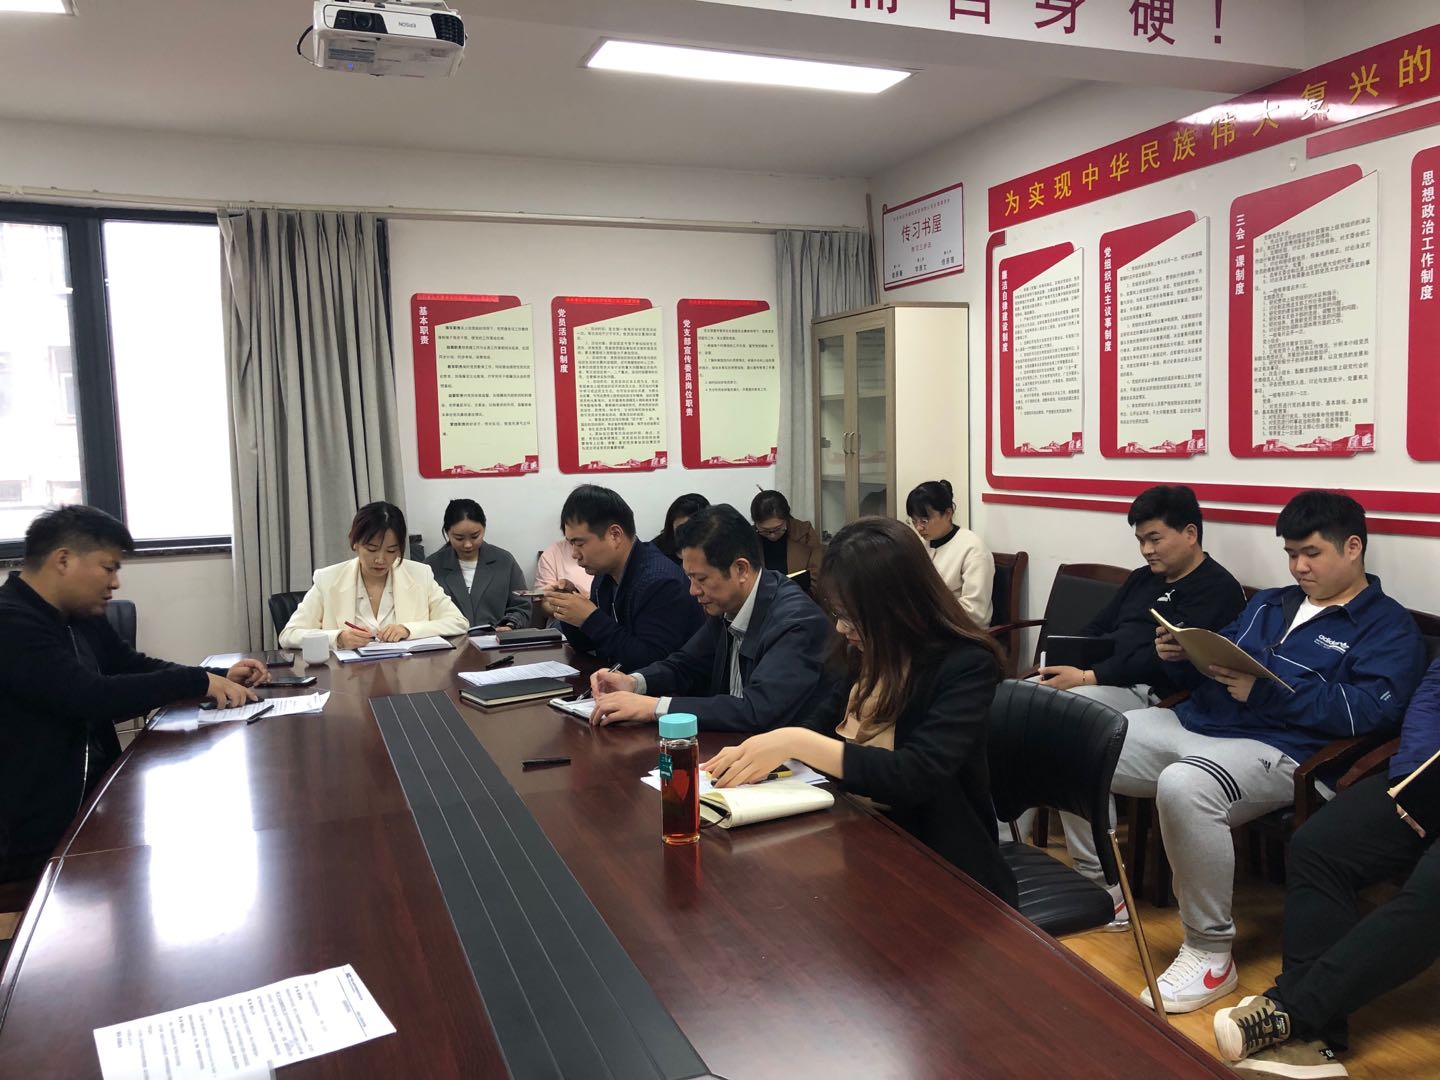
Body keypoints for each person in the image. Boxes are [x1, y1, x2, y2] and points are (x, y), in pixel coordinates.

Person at [1074, 491, 1424, 1015]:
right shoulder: (1270, 603)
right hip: (1199, 721)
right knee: (1081, 738)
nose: (1298, 567)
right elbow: (1218, 658)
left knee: (1185, 785)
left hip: (1279, 749)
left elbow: (1369, 713)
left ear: (1353, 547)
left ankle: (1210, 952)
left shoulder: (1387, 627)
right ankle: (1102, 890)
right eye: (1290, 554)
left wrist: (1266, 693)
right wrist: (1181, 656)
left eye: (1311, 553)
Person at [702, 517, 1017, 905]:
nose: (840, 628)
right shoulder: (866, 651)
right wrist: (769, 753)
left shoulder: (965, 665)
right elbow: (822, 722)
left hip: (943, 869)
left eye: (851, 615)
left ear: (896, 605)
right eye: (837, 612)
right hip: (861, 840)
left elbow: (915, 774)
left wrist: (796, 742)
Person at [0, 506, 267, 884]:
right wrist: (195, 681)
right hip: (35, 833)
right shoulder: (11, 621)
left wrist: (217, 677)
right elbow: (87, 696)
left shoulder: (79, 615)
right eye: (108, 568)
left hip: (98, 801)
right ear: (63, 560)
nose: (116, 583)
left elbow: (131, 665)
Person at [1212, 662, 1440, 1079]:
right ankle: (1316, 1040)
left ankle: (1293, 1013)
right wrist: (1419, 779)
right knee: (1321, 845)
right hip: (1430, 779)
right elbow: (1433, 696)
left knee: (1432, 892)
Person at [1048, 485, 1249, 930]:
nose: (1146, 550)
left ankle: (1103, 888)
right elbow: (1100, 626)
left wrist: (1089, 676)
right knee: (1021, 704)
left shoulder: (1217, 590)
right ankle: (1008, 842)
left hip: (1153, 694)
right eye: (1141, 540)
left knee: (1066, 726)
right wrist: (1069, 658)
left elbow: (1163, 664)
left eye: (1155, 539)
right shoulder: (1144, 579)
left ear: (1190, 533)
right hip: (1105, 678)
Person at [588, 503, 836, 730]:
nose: (693, 590)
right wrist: (634, 683)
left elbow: (757, 710)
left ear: (741, 569)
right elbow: (685, 664)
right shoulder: (727, 604)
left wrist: (654, 707)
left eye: (701, 579)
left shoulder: (796, 622)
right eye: (690, 578)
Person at [542, 485, 704, 670]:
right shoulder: (604, 574)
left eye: (579, 544)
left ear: (615, 535)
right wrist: (569, 605)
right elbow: (590, 644)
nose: (574, 554)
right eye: (571, 544)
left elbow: (650, 663)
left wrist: (591, 618)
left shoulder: (661, 583)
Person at [279, 501, 465, 650]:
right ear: (355, 543)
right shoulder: (328, 579)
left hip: (408, 675)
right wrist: (338, 638)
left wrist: (408, 630)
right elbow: (289, 635)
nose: (381, 559)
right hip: (347, 678)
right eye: (371, 549)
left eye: (391, 551)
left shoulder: (419, 575)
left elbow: (458, 622)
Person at [424, 499, 530, 629]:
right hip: (450, 640)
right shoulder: (431, 567)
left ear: (484, 529)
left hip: (496, 638)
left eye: (475, 536)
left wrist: (510, 625)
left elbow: (522, 606)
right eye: (459, 538)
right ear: (447, 533)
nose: (468, 544)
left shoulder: (504, 561)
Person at [905, 479, 994, 627]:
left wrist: (927, 613)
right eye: (914, 521)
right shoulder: (921, 545)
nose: (919, 528)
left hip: (962, 630)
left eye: (924, 521)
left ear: (948, 513)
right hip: (927, 625)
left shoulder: (972, 548)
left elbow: (976, 612)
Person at [750, 489, 825, 600]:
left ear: (787, 519)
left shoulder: (804, 533)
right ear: (756, 524)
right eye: (765, 531)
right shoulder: (748, 538)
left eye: (778, 529)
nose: (772, 535)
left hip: (802, 599)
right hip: (761, 602)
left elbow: (817, 574)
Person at [651, 492, 709, 567]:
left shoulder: (713, 548)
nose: (686, 535)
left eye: (692, 530)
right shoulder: (655, 551)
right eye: (680, 530)